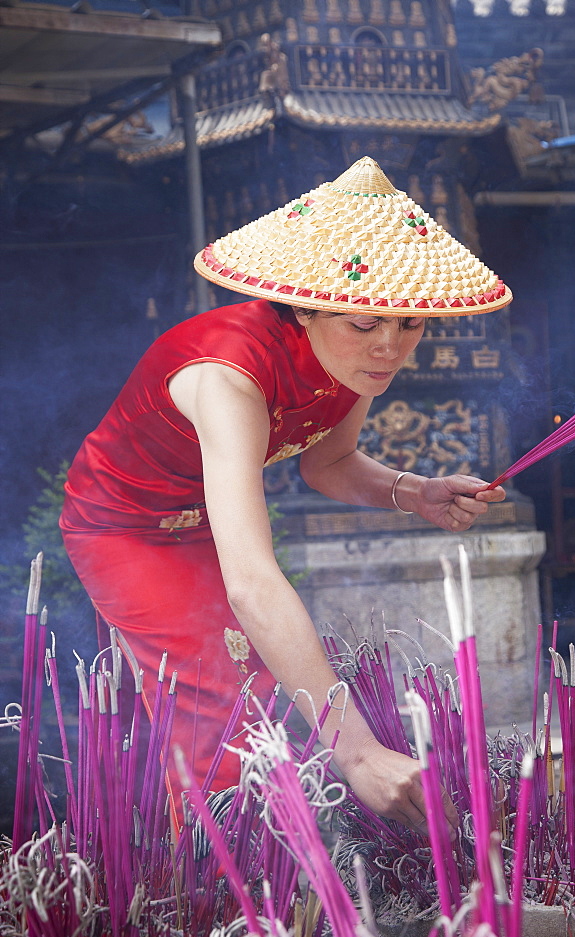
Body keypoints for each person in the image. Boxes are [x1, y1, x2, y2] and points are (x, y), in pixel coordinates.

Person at [60, 156, 511, 836]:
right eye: (363, 324)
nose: (388, 347)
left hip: (207, 525)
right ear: (304, 306)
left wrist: (414, 492)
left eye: (409, 324)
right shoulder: (228, 379)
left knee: (264, 689)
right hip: (127, 529)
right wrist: (356, 753)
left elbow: (328, 464)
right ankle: (220, 900)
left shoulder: (351, 364)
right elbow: (252, 584)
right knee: (219, 702)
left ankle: (214, 857)